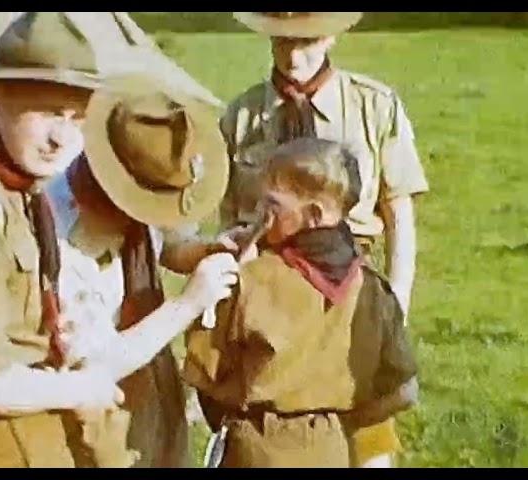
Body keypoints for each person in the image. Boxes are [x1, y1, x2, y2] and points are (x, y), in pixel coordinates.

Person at [0, 13, 234, 468]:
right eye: (46, 112)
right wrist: (81, 386)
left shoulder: (17, 184)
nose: (59, 137)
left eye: (75, 119)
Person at [169, 12, 429, 468]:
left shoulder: (373, 106)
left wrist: (397, 301)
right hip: (269, 305)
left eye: (305, 42)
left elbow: (399, 213)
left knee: (367, 437)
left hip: (346, 292)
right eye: (281, 41)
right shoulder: (244, 115)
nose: (292, 55)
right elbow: (231, 218)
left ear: (330, 36)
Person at [183, 138, 419, 468]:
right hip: (332, 450)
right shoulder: (373, 291)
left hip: (256, 451)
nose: (260, 215)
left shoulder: (252, 280)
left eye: (273, 206)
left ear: (313, 214)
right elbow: (400, 392)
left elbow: (204, 371)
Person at [45, 72, 236, 468]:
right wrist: (189, 304)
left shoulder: (140, 170)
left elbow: (166, 244)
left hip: (151, 383)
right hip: (92, 414)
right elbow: (95, 365)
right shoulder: (56, 238)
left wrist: (207, 251)